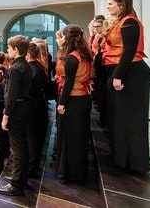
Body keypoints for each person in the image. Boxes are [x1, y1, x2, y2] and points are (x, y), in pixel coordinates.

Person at [102, 0, 150, 172]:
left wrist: (118, 75)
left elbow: (129, 51)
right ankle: (122, 159)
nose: (107, 7)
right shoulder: (122, 22)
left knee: (130, 119)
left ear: (122, 5)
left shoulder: (129, 22)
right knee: (120, 118)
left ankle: (134, 162)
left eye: (110, 4)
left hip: (131, 73)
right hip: (122, 70)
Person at [55, 25, 93, 184]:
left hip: (73, 100)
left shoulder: (72, 57)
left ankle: (70, 174)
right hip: (83, 98)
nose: (60, 39)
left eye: (62, 36)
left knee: (71, 139)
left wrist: (62, 103)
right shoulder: (83, 54)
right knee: (79, 138)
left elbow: (69, 82)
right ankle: (77, 172)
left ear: (68, 38)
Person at [0, 35, 32, 197]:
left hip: (16, 110)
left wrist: (5, 115)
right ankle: (21, 178)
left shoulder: (16, 69)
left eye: (9, 48)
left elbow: (11, 95)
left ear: (17, 50)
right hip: (24, 107)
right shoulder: (25, 65)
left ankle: (16, 184)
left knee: (17, 148)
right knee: (21, 145)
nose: (7, 50)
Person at [26, 41, 49, 178]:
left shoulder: (32, 70)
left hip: (33, 108)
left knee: (32, 139)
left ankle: (31, 169)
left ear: (28, 55)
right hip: (38, 106)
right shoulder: (38, 66)